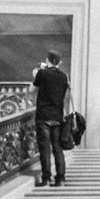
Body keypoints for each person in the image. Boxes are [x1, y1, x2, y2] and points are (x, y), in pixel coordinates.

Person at [32, 51, 70, 187]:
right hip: (58, 116)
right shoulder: (64, 76)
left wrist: (36, 74)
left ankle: (46, 178)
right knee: (57, 148)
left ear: (47, 60)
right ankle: (61, 179)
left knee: (45, 148)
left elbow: (32, 89)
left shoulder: (42, 73)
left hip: (43, 116)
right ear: (59, 62)